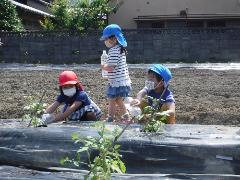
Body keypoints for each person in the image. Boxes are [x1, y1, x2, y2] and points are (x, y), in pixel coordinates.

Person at [100, 24, 131, 123]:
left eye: (106, 39)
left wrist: (103, 66)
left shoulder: (113, 50)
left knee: (112, 100)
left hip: (116, 81)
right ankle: (126, 117)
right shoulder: (120, 49)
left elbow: (111, 68)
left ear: (114, 39)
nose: (105, 41)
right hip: (122, 80)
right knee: (118, 100)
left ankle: (110, 118)